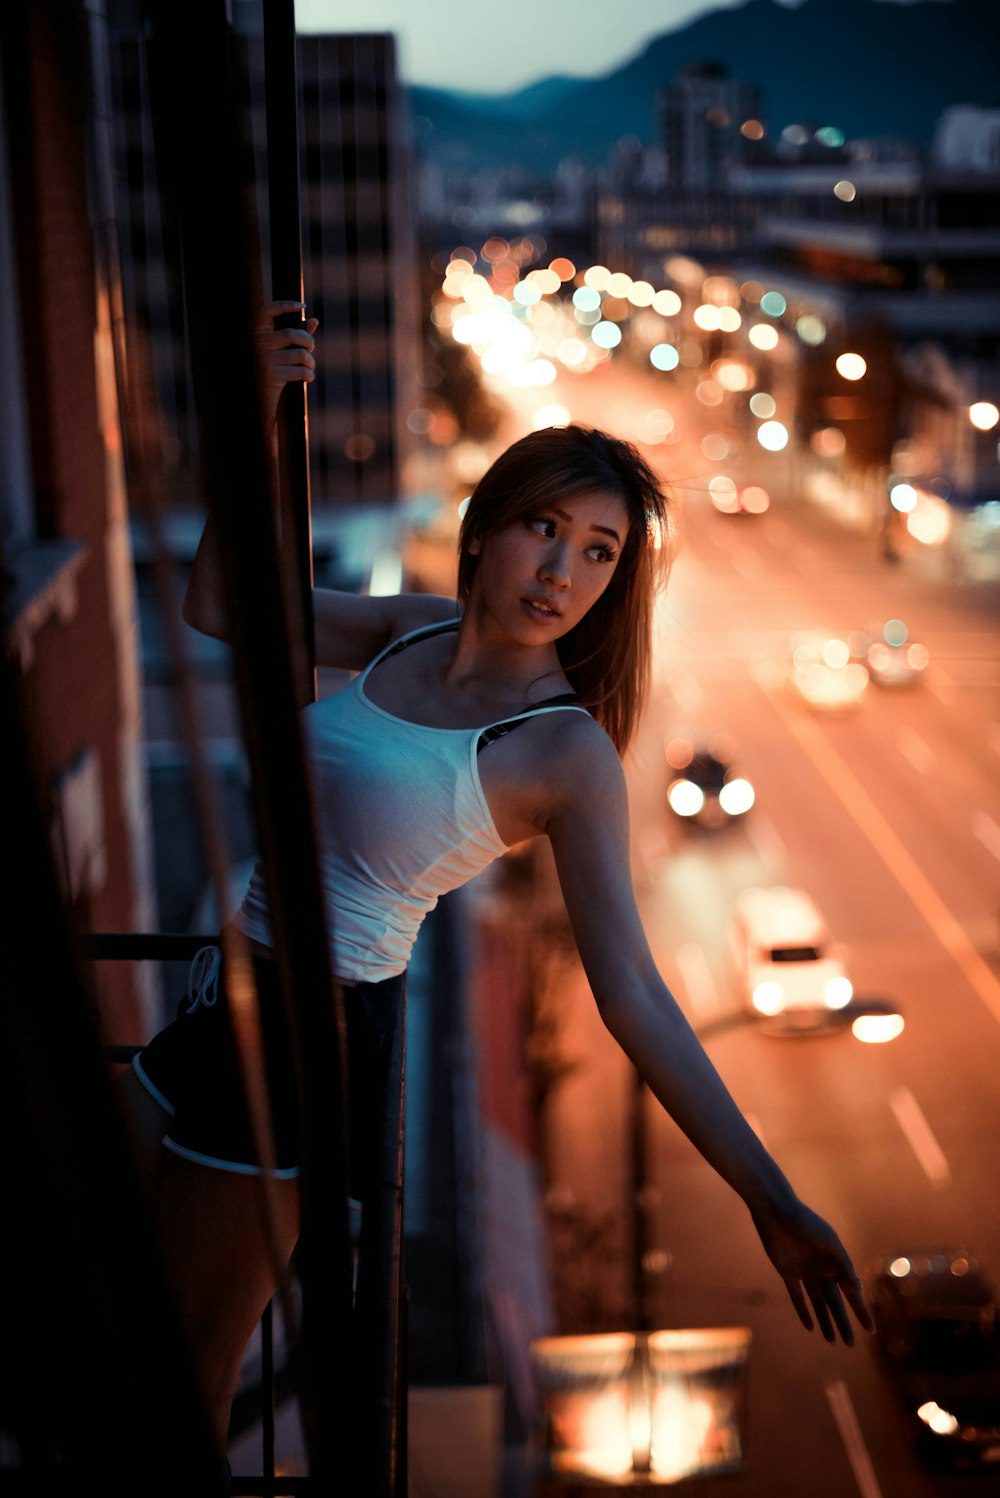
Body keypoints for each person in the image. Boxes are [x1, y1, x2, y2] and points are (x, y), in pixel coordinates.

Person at [118, 303, 872, 1455]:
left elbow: (632, 994)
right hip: (224, 997)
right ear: (483, 533)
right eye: (543, 529)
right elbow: (218, 605)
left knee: (185, 1371)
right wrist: (257, 420)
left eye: (598, 551)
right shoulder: (413, 633)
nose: (561, 569)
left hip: (312, 1036)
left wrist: (768, 1198)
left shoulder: (563, 751)